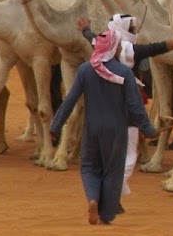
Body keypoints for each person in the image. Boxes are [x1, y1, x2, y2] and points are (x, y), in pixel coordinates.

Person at [75, 14, 173, 204]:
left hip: (100, 109)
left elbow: (91, 37)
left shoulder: (102, 45)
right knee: (128, 156)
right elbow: (163, 46)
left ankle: (110, 195)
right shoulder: (132, 50)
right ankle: (110, 193)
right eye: (132, 29)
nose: (135, 32)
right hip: (126, 109)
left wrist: (85, 28)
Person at [50, 28, 156, 225]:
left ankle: (92, 200)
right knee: (113, 170)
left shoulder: (84, 70)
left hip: (91, 128)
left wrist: (55, 126)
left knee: (89, 167)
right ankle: (106, 214)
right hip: (117, 129)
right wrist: (149, 130)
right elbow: (135, 106)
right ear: (115, 48)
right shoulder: (124, 72)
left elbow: (70, 100)